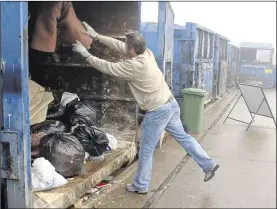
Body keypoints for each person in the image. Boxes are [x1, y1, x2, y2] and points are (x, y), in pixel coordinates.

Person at [72, 23, 220, 194]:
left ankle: (140, 185)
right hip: (170, 103)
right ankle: (209, 164)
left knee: (146, 150)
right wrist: (97, 36)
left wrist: (86, 54)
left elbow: (108, 67)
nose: (125, 48)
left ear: (132, 51)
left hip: (158, 111)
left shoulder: (135, 66)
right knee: (184, 138)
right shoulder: (146, 53)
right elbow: (120, 46)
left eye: (128, 47)